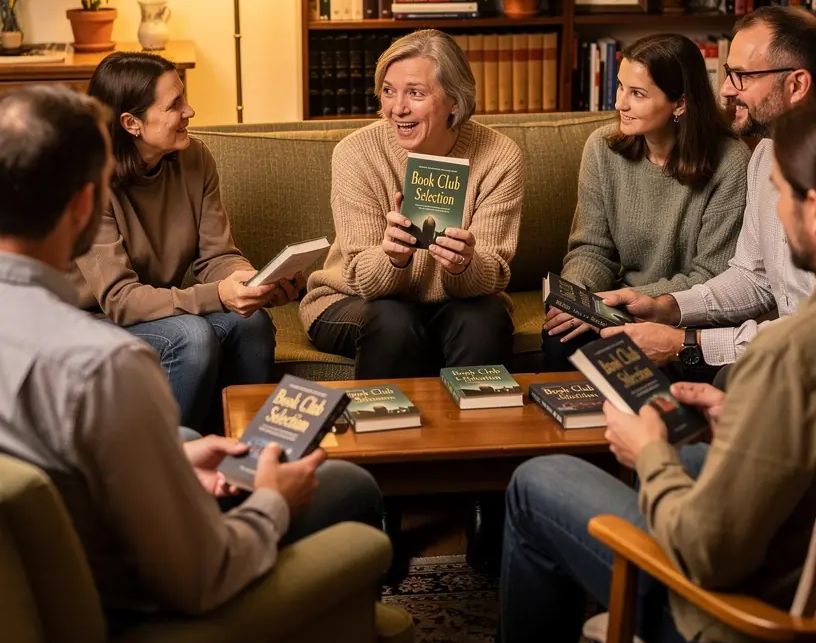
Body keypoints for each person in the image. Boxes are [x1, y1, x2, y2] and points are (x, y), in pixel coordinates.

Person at [431, 98, 816, 643]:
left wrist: (652, 455)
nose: (775, 209)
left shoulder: (791, 352)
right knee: (696, 444)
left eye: (781, 194)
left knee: (536, 484)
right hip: (789, 569)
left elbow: (709, 552)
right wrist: (743, 427)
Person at [0, 86, 382, 620]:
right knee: (347, 485)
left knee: (185, 435)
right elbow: (202, 578)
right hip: (131, 631)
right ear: (86, 204)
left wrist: (171, 460)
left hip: (36, 609)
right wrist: (273, 502)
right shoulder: (104, 365)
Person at [73, 52, 298, 433]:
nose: (190, 110)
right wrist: (219, 296)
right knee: (191, 338)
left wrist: (251, 281)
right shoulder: (87, 181)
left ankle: (247, 456)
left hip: (159, 307)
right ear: (131, 123)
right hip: (92, 319)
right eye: (175, 104)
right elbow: (121, 301)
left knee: (252, 324)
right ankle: (175, 473)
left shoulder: (195, 159)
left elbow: (217, 256)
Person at [598, 7, 816, 373]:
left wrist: (686, 343)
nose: (727, 89)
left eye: (742, 76)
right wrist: (666, 306)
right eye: (729, 73)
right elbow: (752, 276)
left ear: (796, 84)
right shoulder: (764, 154)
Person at [301, 29, 523, 379]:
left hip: (455, 304)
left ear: (454, 99)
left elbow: (493, 274)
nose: (397, 108)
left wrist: (465, 266)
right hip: (354, 299)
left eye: (415, 93)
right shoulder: (355, 154)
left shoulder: (499, 156)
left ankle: (477, 432)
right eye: (388, 91)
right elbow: (362, 277)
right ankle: (383, 433)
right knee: (394, 322)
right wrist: (392, 258)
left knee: (486, 320)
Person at [542, 34, 749, 371]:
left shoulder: (730, 162)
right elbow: (591, 249)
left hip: (686, 316)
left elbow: (713, 275)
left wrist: (634, 303)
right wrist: (577, 297)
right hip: (615, 306)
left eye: (637, 94)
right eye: (621, 87)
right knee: (560, 340)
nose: (620, 104)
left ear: (680, 103)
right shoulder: (602, 149)